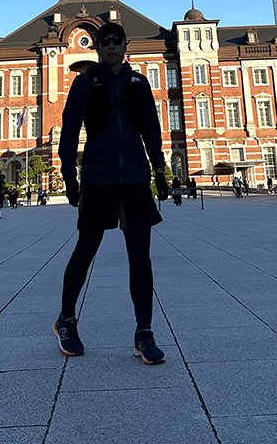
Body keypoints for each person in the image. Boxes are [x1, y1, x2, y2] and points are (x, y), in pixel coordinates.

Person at [55, 21, 169, 365]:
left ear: (125, 45)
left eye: (116, 42)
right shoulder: (86, 82)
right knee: (86, 249)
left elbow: (151, 127)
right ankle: (66, 320)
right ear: (98, 48)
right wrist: (68, 174)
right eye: (104, 43)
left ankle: (144, 332)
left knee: (140, 255)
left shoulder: (139, 83)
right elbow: (70, 128)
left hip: (134, 177)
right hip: (98, 177)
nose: (110, 48)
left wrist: (159, 170)